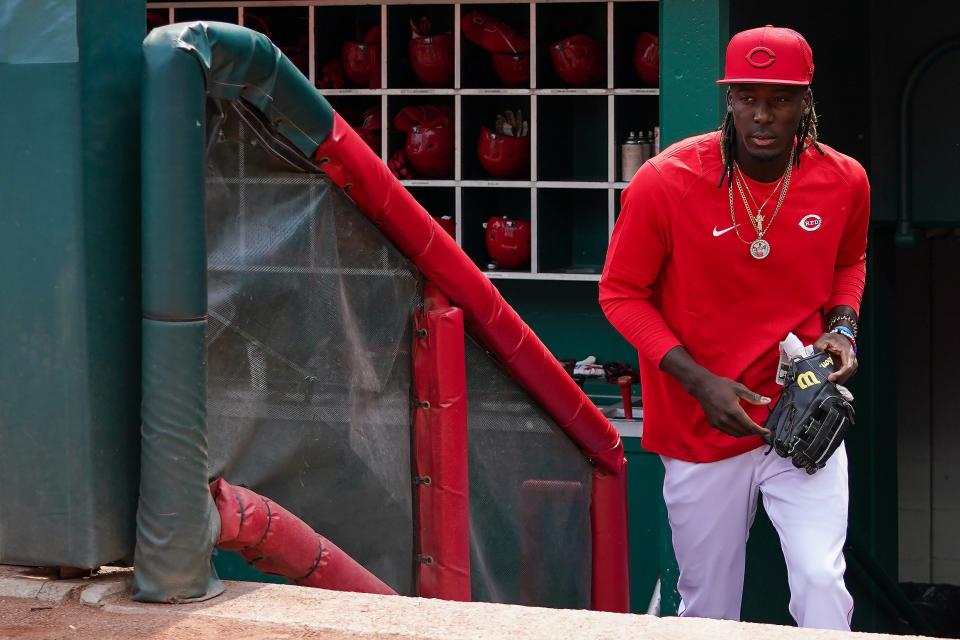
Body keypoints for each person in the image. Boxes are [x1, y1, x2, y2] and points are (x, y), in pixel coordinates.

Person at [599, 25, 869, 630]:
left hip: (800, 407)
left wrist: (843, 328)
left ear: (806, 102)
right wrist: (697, 380)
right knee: (708, 608)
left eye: (779, 99)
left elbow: (848, 261)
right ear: (730, 100)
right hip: (702, 421)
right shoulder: (666, 181)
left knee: (822, 578)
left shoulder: (845, 178)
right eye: (748, 97)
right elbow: (620, 294)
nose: (763, 116)